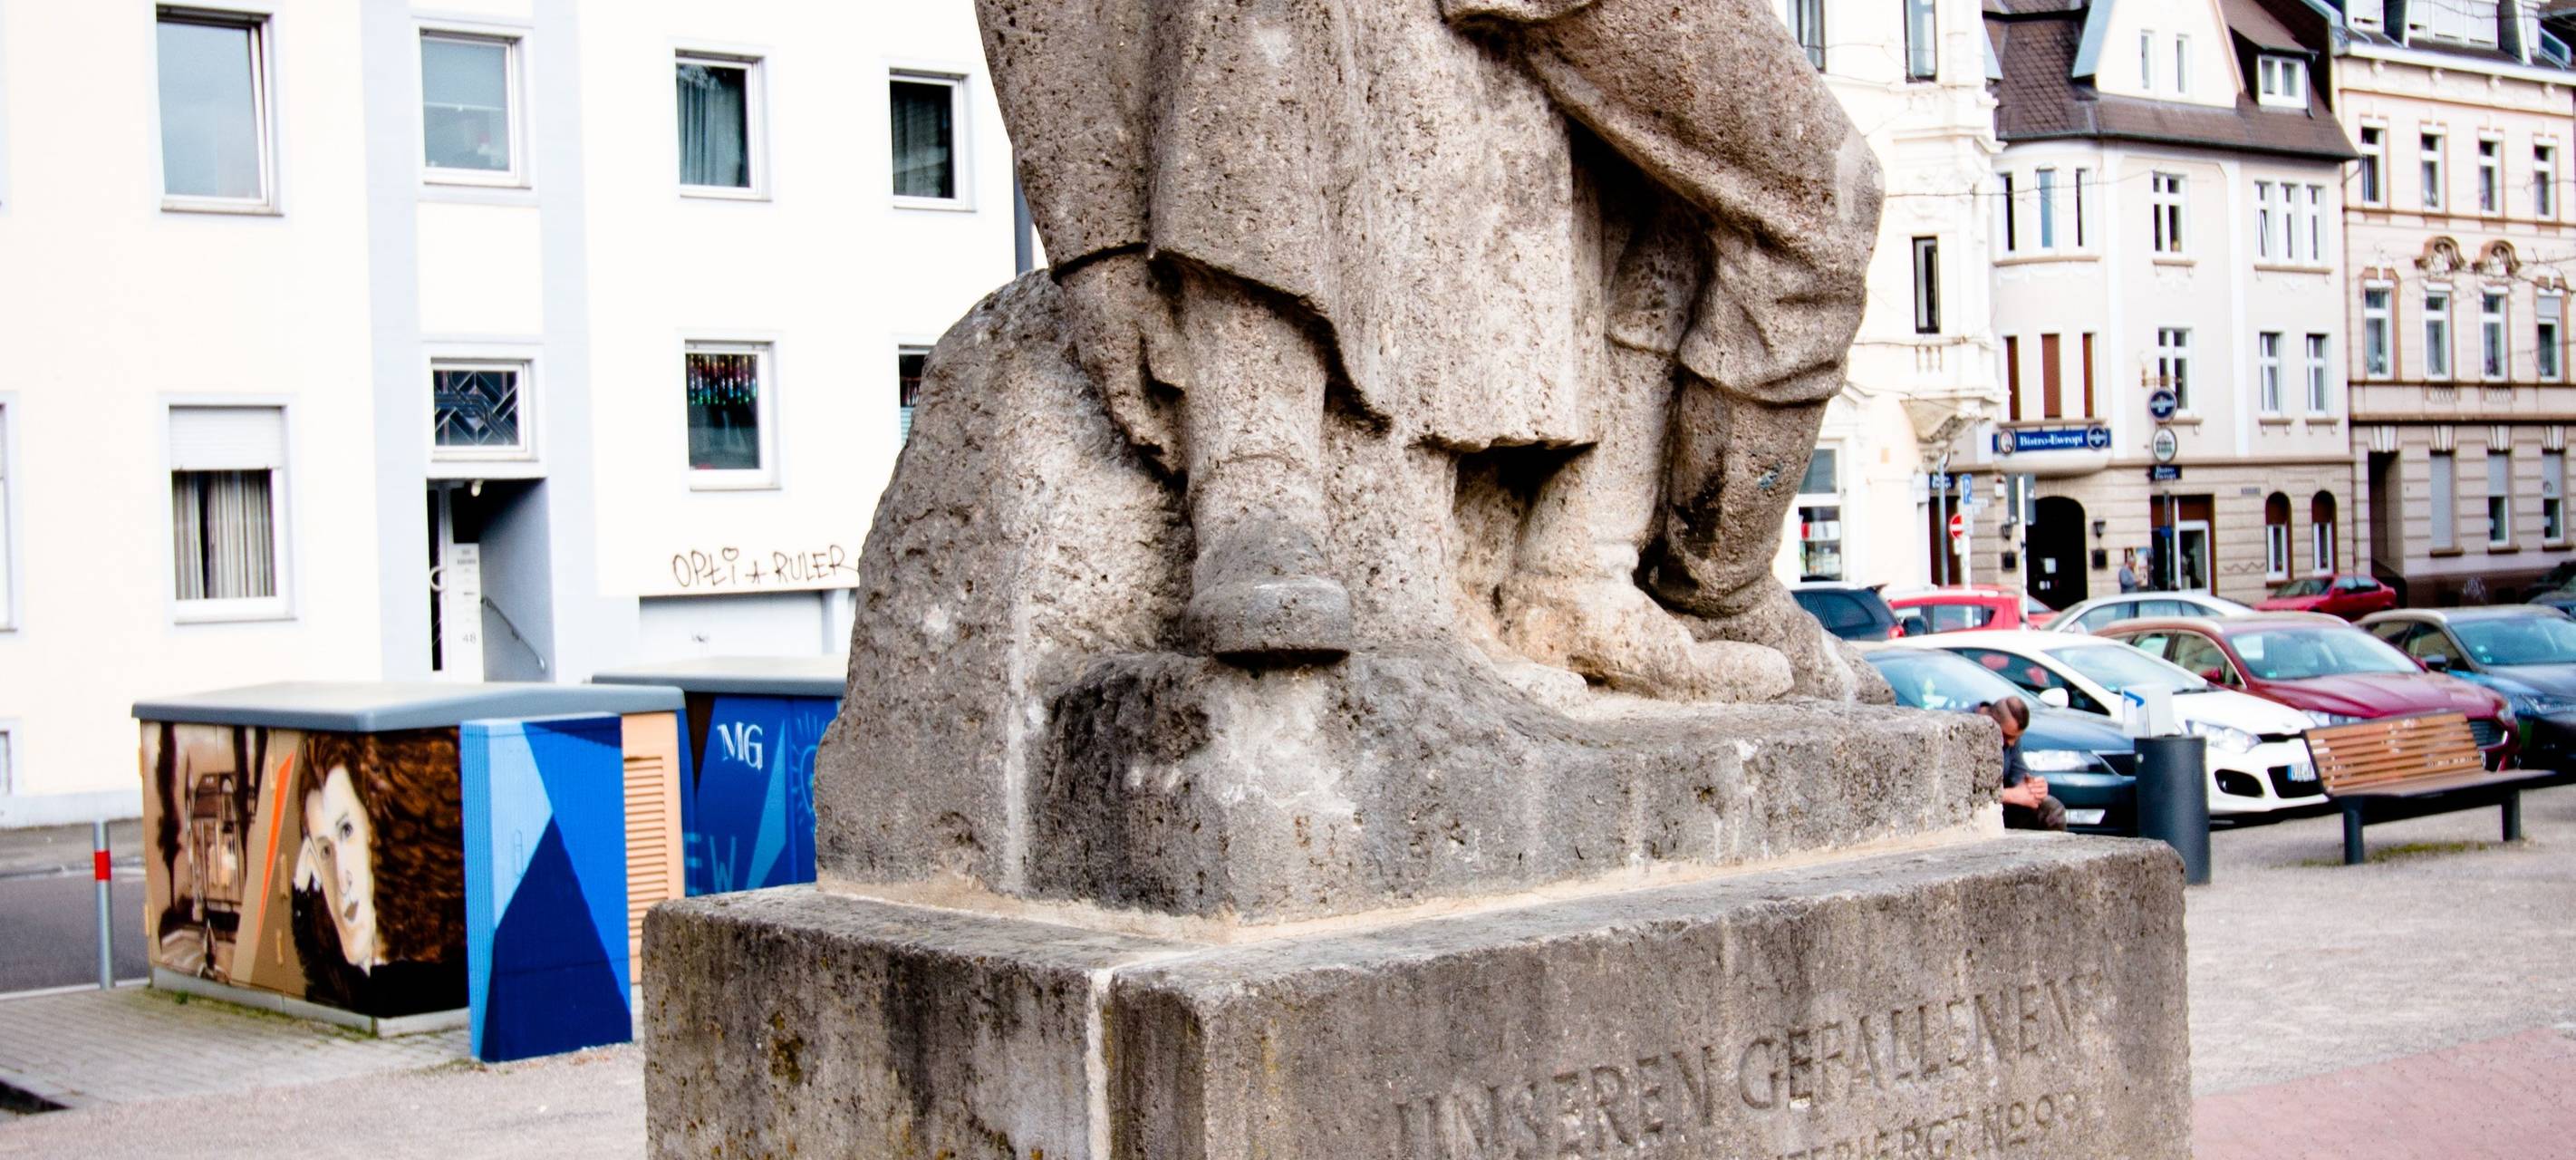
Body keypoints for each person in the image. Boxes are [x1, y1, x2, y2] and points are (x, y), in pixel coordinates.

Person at [1980, 699, 2067, 831]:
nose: (2012, 743)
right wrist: (2010, 795)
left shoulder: (2010, 737)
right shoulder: (1961, 729)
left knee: (2051, 808)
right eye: (2007, 736)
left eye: (2017, 738)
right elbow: (1963, 792)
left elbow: (2018, 775)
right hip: (1976, 807)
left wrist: (2033, 787)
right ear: (1991, 721)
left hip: (2003, 804)